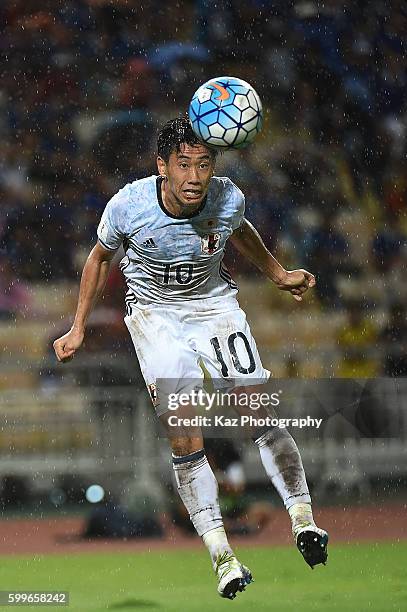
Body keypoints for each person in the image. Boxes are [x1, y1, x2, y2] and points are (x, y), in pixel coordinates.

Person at [53, 117, 328, 600]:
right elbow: (99, 258)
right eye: (184, 164)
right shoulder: (129, 206)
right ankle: (222, 555)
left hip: (215, 307)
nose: (195, 177)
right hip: (156, 317)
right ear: (163, 167)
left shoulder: (227, 198)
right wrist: (77, 327)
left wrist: (279, 273)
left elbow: (240, 232)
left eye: (204, 164)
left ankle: (304, 519)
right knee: (185, 434)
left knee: (258, 412)